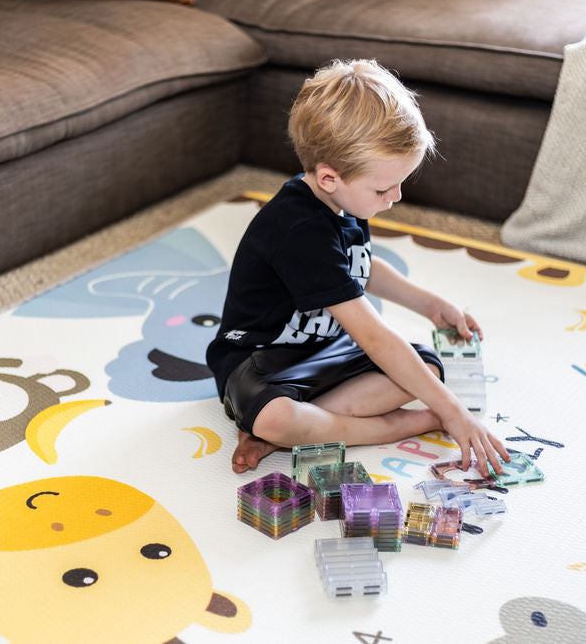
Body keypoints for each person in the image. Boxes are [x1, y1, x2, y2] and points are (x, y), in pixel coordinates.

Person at [205, 58, 510, 476]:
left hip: (326, 351)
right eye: (384, 188)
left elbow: (358, 267)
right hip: (260, 360)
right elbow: (374, 335)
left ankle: (293, 433)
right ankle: (391, 426)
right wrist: (450, 410)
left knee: (428, 369)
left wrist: (429, 305)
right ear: (330, 177)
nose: (396, 196)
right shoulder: (297, 229)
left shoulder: (343, 195)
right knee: (277, 417)